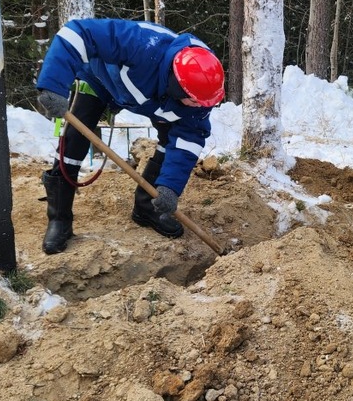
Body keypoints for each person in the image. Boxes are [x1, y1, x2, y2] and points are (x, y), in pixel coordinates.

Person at [34, 19, 225, 254]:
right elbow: (77, 33)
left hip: (151, 99)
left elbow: (187, 142)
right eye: (195, 101)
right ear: (178, 85)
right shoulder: (141, 44)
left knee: (171, 142)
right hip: (100, 78)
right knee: (74, 142)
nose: (200, 107)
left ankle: (147, 207)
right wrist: (53, 84)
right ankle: (59, 219)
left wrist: (170, 188)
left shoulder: (200, 95)